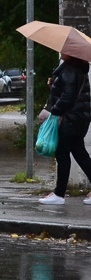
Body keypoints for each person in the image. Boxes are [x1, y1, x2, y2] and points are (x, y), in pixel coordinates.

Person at [38, 55, 91, 205]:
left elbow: (67, 97)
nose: (61, 52)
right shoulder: (79, 69)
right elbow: (70, 92)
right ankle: (58, 193)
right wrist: (55, 84)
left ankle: (59, 194)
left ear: (71, 53)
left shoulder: (69, 70)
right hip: (79, 119)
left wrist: (53, 112)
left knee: (62, 155)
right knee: (80, 155)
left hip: (69, 120)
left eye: (64, 49)